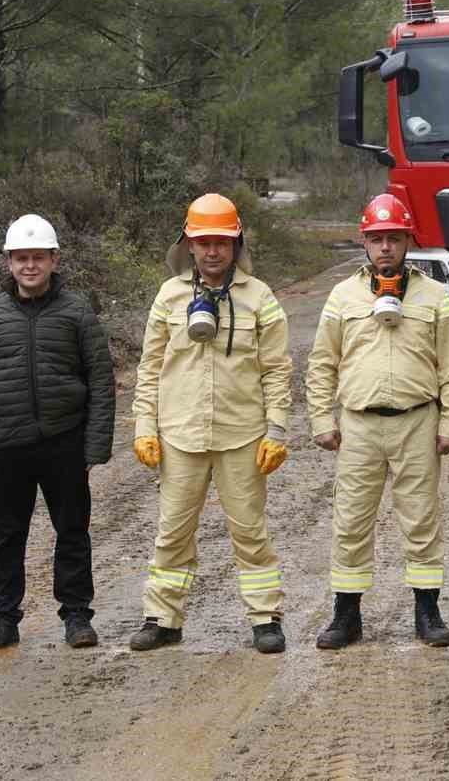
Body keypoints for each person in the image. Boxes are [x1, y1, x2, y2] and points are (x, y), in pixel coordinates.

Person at [128, 193, 292, 655]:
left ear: (236, 244)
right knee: (173, 530)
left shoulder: (260, 297)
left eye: (222, 241)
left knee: (250, 531)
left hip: (243, 435)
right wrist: (145, 427)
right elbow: (150, 367)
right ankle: (162, 618)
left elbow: (278, 369)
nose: (213, 251)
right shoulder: (169, 295)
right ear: (189, 245)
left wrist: (276, 430)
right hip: (180, 435)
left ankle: (265, 618)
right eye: (204, 242)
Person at [305, 194, 449, 649]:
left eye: (393, 238)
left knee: (421, 519)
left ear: (407, 241)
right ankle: (346, 615)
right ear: (364, 242)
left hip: (417, 420)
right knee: (351, 520)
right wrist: (322, 416)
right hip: (358, 423)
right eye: (377, 239)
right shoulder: (343, 296)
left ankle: (428, 611)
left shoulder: (434, 296)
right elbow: (323, 362)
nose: (385, 248)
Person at [0, 214, 116, 651]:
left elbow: (100, 379)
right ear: (9, 262)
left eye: (38, 257)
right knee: (8, 536)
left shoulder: (76, 312)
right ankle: (2, 620)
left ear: (54, 259)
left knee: (72, 531)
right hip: (9, 444)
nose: (29, 266)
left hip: (63, 439)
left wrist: (95, 445)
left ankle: (76, 616)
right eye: (21, 258)